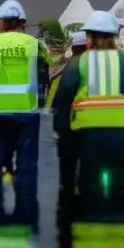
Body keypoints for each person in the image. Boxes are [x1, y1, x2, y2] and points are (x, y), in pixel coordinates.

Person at [52, 11, 124, 201]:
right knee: (120, 179)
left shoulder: (80, 62)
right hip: (118, 131)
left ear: (90, 37)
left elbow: (64, 96)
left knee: (87, 178)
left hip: (89, 132)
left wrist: (62, 129)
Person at [0, 0, 51, 198]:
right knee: (26, 156)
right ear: (22, 22)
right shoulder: (35, 44)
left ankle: (0, 183)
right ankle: (25, 195)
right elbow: (45, 71)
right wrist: (43, 102)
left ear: (1, 22)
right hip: (27, 109)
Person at [49, 30, 86, 195]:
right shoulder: (92, 65)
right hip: (89, 119)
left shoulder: (71, 66)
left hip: (68, 120)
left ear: (73, 46)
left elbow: (61, 96)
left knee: (68, 160)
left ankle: (68, 190)